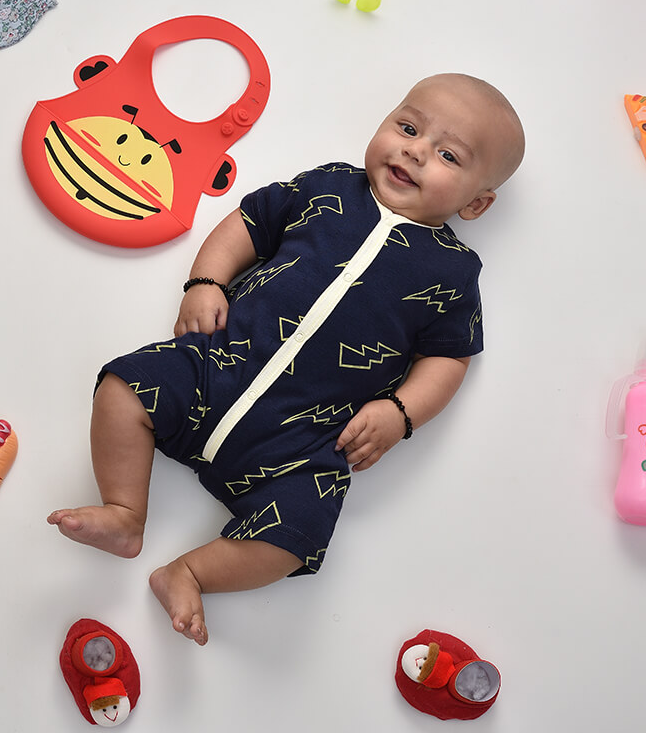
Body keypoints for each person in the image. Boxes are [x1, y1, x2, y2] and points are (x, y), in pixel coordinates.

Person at [48, 73, 526, 645]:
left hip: (304, 439)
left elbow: (448, 359)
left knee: (298, 534)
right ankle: (125, 512)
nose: (416, 151)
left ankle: (190, 573)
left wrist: (401, 413)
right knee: (124, 387)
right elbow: (248, 223)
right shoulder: (329, 188)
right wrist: (205, 281)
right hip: (216, 368)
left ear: (476, 203)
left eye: (448, 155)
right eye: (407, 128)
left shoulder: (452, 272)